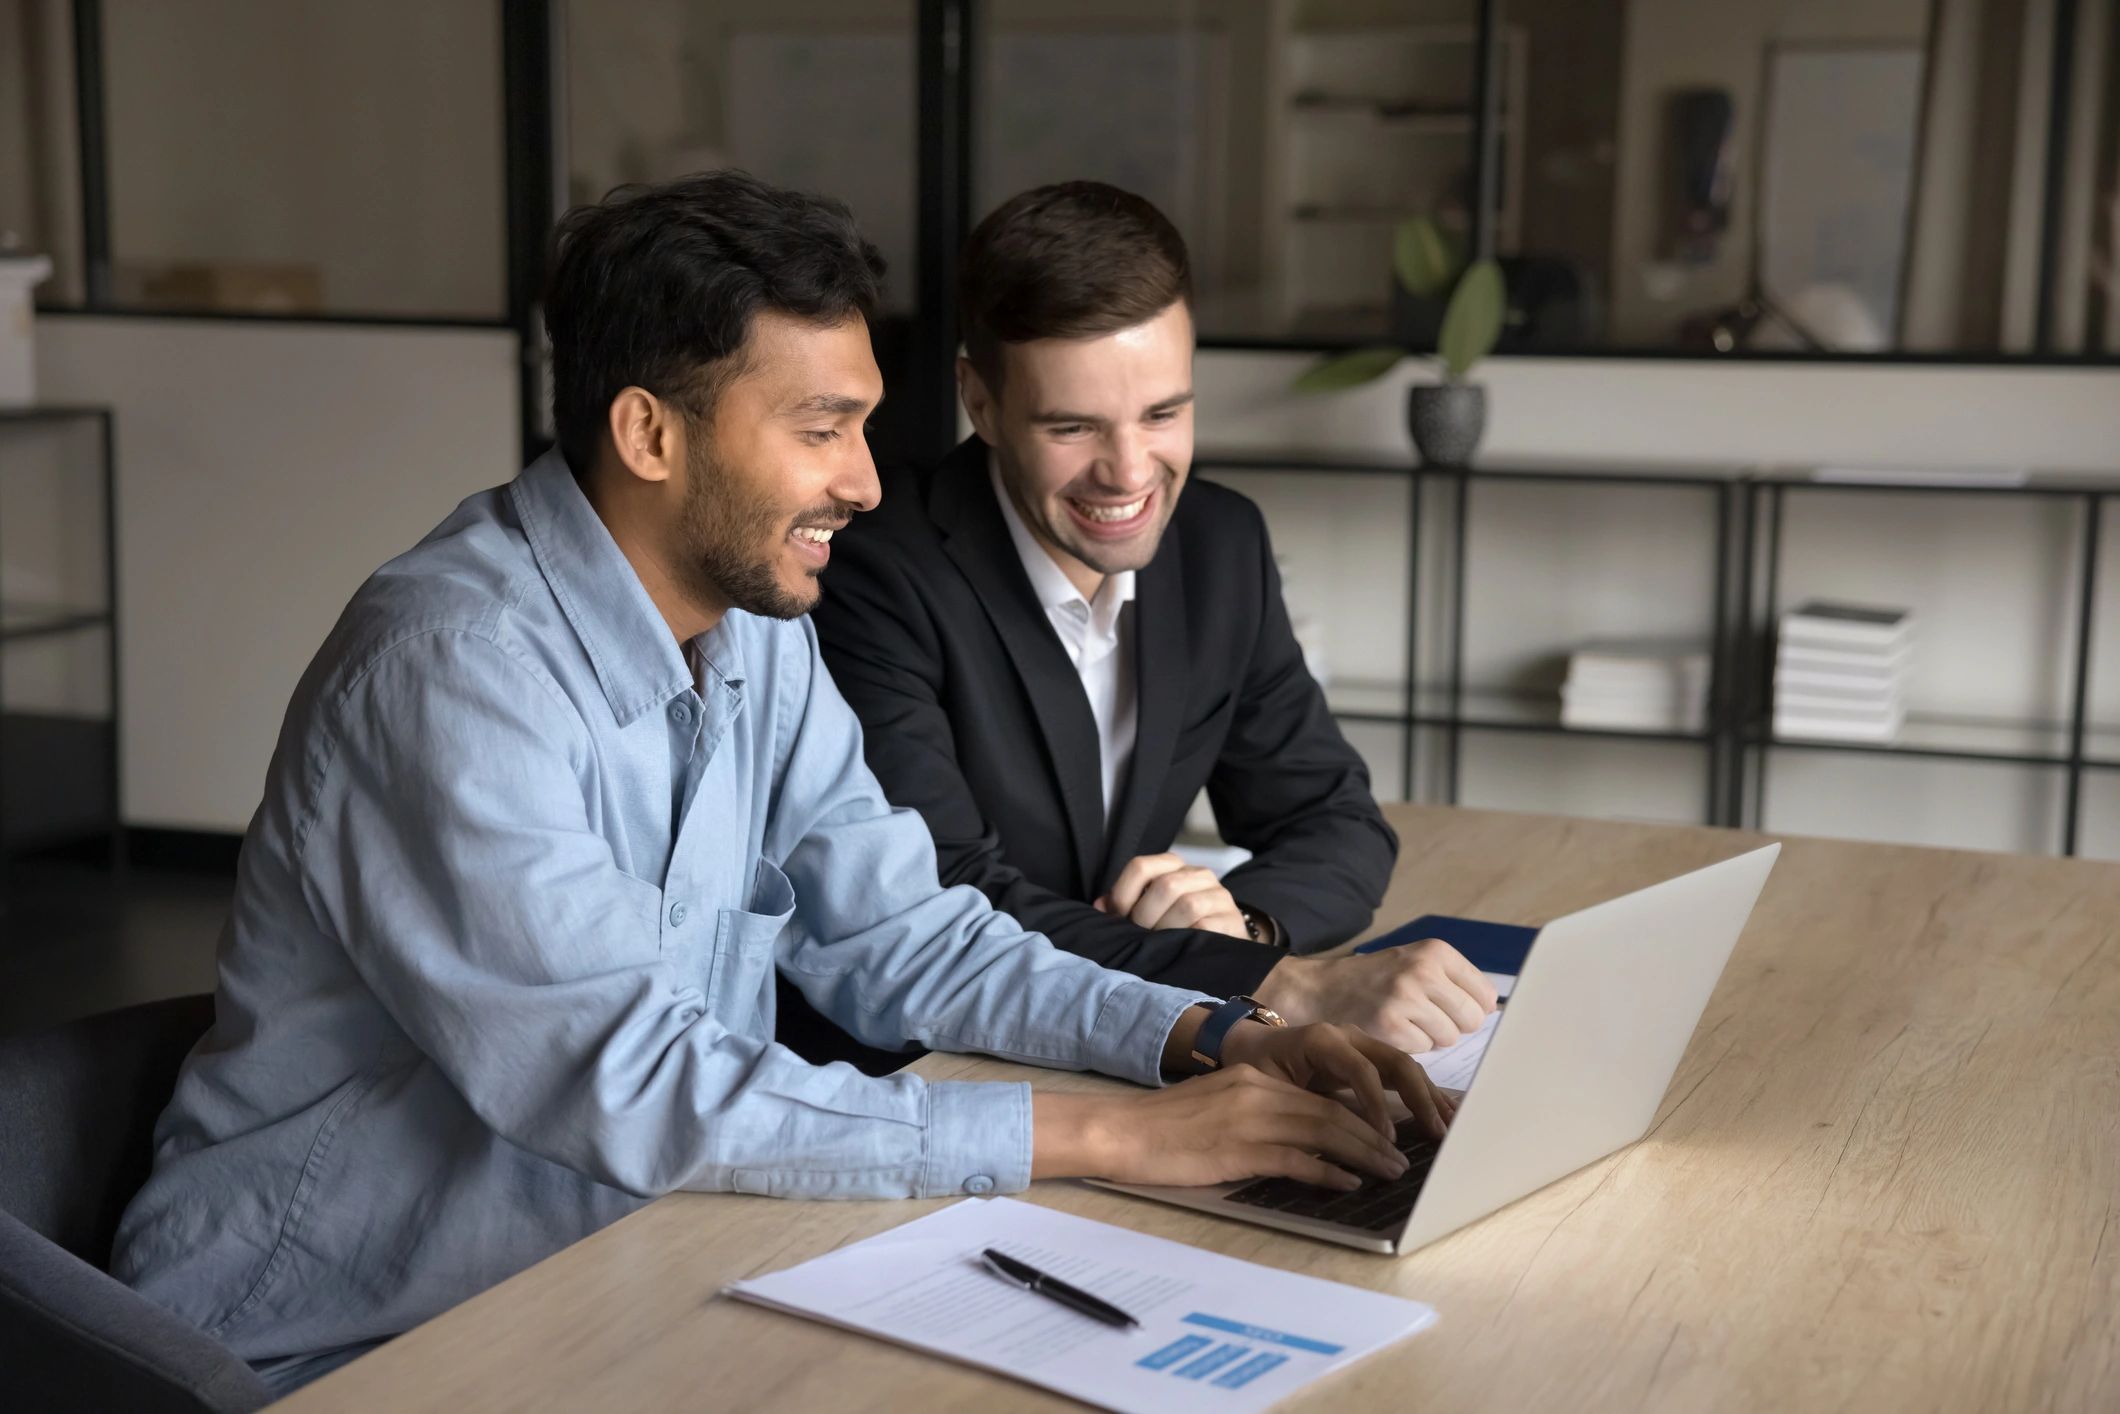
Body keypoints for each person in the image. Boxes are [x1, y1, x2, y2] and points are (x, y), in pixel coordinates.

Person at [110, 172, 1449, 1395]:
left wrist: (1202, 1032)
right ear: (650, 433)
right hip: (329, 1339)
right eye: (823, 429)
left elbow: (906, 937)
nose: (865, 482)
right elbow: (633, 1084)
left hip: (610, 1277)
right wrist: (1123, 1136)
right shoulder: (450, 671)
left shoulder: (757, 637)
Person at [810, 182, 1497, 1058]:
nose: (1129, 473)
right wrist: (1276, 983)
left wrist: (1240, 925)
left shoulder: (1220, 544)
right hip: (931, 1065)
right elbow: (945, 894)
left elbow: (1333, 818)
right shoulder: (871, 572)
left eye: (1164, 413)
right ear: (979, 402)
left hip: (1140, 1046)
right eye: (1074, 427)